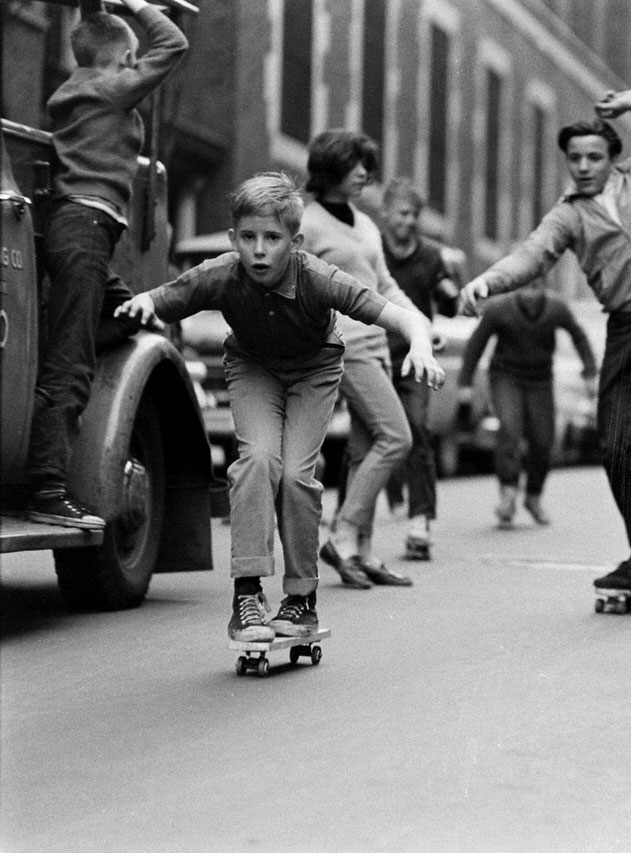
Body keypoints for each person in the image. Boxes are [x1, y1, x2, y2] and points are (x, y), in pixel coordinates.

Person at [113, 173, 444, 640]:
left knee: (295, 476)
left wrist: (420, 346)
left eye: (273, 238)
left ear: (296, 241)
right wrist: (140, 304)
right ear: (233, 239)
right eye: (248, 238)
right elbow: (166, 296)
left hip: (314, 372)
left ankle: (300, 600)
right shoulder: (222, 273)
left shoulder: (318, 277)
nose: (260, 250)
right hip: (254, 369)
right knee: (256, 462)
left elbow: (398, 314)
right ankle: (247, 595)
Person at [459, 89, 631, 594]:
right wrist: (486, 282)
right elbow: (531, 256)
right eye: (575, 158)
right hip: (624, 325)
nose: (584, 166)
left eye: (594, 156)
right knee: (612, 441)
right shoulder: (569, 214)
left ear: (613, 158)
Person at [25, 0, 188, 529]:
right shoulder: (110, 88)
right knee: (71, 366)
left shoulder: (86, 89)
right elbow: (175, 46)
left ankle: (52, 363)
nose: (137, 69)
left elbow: (95, 32)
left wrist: (105, 10)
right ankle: (48, 488)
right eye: (132, 60)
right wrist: (140, 5)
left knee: (140, 315)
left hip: (82, 232)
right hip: (86, 232)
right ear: (121, 60)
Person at [299, 129, 429, 588]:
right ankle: (342, 531)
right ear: (330, 167)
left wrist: (417, 325)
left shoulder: (365, 223)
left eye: (366, 165)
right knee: (397, 437)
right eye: (354, 164)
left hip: (379, 346)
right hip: (347, 345)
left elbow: (384, 285)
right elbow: (295, 283)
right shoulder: (308, 223)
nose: (363, 174)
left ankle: (362, 553)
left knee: (363, 450)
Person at [458, 280, 598, 526]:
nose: (530, 296)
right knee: (509, 427)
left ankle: (533, 495)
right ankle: (508, 492)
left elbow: (579, 335)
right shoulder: (499, 308)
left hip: (540, 380)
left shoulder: (556, 308)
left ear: (543, 289)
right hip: (505, 376)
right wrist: (465, 385)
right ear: (516, 290)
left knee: (544, 440)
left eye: (535, 290)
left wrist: (589, 372)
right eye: (525, 289)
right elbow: (476, 343)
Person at [379, 178, 459, 559]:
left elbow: (448, 307)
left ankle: (421, 521)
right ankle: (352, 525)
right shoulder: (374, 250)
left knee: (416, 429)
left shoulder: (430, 256)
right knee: (371, 436)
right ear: (385, 214)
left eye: (415, 215)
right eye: (402, 213)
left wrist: (450, 294)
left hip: (416, 356)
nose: (409, 221)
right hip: (376, 353)